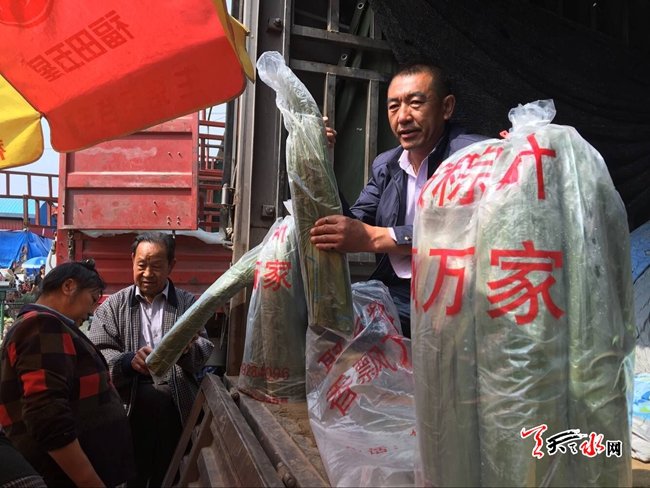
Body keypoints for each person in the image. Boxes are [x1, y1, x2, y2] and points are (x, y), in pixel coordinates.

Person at [315, 64, 488, 337]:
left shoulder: (474, 156)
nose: (403, 117)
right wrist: (318, 160)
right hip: (399, 291)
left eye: (416, 103)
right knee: (321, 316)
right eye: (394, 107)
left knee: (361, 328)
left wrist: (376, 238)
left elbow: (467, 230)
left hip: (463, 291)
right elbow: (351, 224)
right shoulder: (387, 165)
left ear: (446, 108)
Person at [89, 232, 214, 488]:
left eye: (156, 266)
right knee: (131, 473)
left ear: (171, 265)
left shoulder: (187, 304)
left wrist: (185, 351)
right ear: (132, 261)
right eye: (142, 265)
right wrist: (127, 362)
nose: (147, 273)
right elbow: (98, 355)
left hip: (175, 402)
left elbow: (202, 352)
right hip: (129, 402)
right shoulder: (113, 306)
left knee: (170, 472)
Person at [0, 260, 135, 487]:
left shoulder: (47, 326)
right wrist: (90, 482)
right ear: (68, 286)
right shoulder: (42, 326)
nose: (91, 312)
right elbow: (48, 418)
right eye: (92, 299)